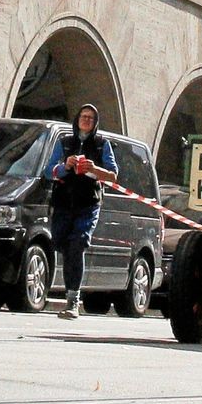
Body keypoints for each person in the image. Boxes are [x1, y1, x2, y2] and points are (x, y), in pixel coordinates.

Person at [46, 104, 118, 319]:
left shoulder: (102, 144)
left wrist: (94, 169)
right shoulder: (64, 143)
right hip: (63, 202)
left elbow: (113, 175)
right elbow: (49, 170)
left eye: (91, 118)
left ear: (96, 123)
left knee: (77, 243)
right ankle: (70, 288)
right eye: (83, 117)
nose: (86, 121)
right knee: (61, 243)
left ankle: (73, 299)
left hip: (88, 203)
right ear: (77, 119)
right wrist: (65, 167)